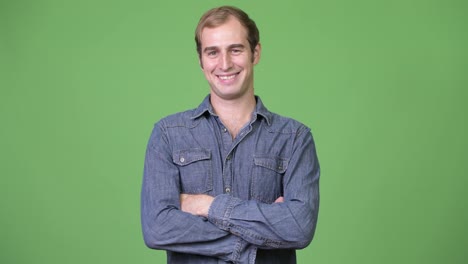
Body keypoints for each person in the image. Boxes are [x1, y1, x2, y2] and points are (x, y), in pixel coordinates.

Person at [141, 5, 320, 264]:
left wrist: (206, 206)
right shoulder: (168, 135)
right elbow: (157, 228)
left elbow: (299, 228)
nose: (224, 64)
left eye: (235, 50)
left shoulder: (294, 138)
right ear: (201, 60)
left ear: (255, 53)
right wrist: (263, 230)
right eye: (212, 52)